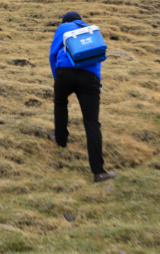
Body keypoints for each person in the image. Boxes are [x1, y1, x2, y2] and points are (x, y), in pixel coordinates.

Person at [48, 11, 116, 183]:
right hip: (90, 78)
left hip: (66, 73)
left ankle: (61, 139)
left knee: (60, 102)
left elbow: (53, 54)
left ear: (65, 21)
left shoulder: (64, 27)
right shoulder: (91, 30)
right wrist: (95, 82)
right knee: (92, 122)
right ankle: (98, 171)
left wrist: (57, 79)